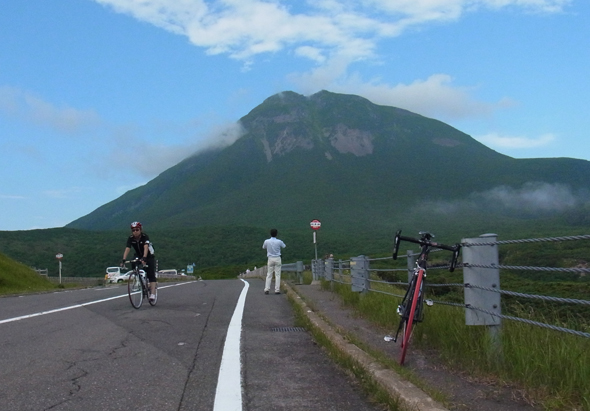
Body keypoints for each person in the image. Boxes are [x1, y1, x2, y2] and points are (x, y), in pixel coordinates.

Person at [121, 221, 157, 302]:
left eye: (137, 230)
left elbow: (146, 247)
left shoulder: (144, 237)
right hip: (138, 254)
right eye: (133, 230)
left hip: (148, 255)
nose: (135, 232)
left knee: (151, 273)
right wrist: (123, 259)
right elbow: (127, 248)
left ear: (140, 230)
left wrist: (144, 257)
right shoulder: (131, 238)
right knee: (133, 263)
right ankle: (138, 277)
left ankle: (153, 293)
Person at [262, 228, 286, 294]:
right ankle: (277, 290)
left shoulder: (266, 241)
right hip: (277, 258)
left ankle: (267, 289)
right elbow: (284, 246)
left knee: (269, 274)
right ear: (276, 234)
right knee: (277, 275)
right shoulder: (279, 241)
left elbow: (263, 247)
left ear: (270, 234)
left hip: (270, 258)